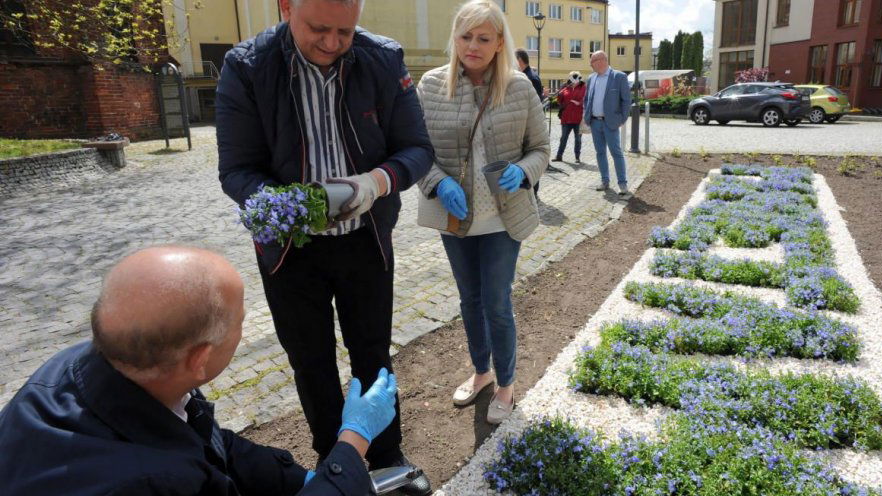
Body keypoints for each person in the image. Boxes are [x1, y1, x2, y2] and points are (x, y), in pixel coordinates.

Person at [215, 0, 434, 493]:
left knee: (372, 352)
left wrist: (376, 183)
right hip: (290, 249)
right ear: (285, 6)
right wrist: (291, 207)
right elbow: (237, 170)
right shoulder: (247, 67)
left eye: (345, 31)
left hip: (365, 240)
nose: (333, 43)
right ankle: (333, 467)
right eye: (318, 29)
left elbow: (417, 148)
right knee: (310, 359)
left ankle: (386, 457)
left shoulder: (383, 58)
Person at [0, 246, 398, 496]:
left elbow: (205, 437)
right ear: (200, 359)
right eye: (241, 319)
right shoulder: (157, 482)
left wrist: (297, 480)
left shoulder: (81, 370)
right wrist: (353, 442)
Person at [415, 0, 549, 425]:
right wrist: (438, 183)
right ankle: (480, 372)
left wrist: (523, 171)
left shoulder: (519, 87)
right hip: (455, 217)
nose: (473, 45)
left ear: (498, 44)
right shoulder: (431, 85)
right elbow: (417, 153)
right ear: (454, 38)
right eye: (465, 36)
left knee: (496, 302)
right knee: (469, 301)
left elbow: (541, 149)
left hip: (502, 216)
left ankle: (506, 384)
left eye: (483, 38)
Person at [584, 50, 632, 197]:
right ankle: (605, 181)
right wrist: (587, 115)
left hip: (610, 123)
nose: (591, 64)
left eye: (592, 61)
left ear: (602, 60)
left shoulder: (619, 77)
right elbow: (587, 99)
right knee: (600, 153)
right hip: (595, 122)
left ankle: (622, 184)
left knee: (616, 152)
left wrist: (622, 119)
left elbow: (626, 100)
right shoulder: (591, 78)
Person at [554, 71, 586, 164]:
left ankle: (577, 157)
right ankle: (559, 156)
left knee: (578, 139)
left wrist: (579, 103)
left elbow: (587, 99)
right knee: (563, 138)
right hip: (566, 118)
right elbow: (560, 102)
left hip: (578, 118)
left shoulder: (583, 87)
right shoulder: (565, 87)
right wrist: (559, 95)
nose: (576, 81)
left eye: (577, 78)